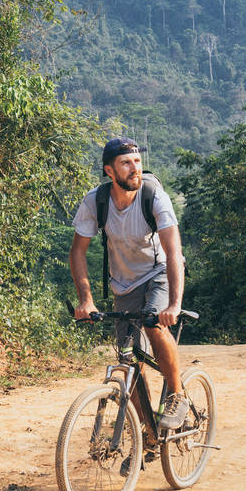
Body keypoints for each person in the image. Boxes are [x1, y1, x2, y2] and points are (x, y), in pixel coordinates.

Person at [70, 136, 189, 432]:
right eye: (126, 163)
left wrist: (174, 305)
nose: (135, 168)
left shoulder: (153, 196)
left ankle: (177, 393)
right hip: (124, 284)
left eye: (137, 161)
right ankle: (147, 430)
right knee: (127, 357)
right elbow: (77, 251)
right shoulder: (95, 201)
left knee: (153, 324)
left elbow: (174, 252)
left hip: (158, 272)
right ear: (109, 171)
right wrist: (86, 300)